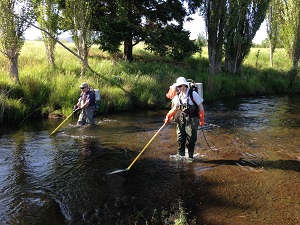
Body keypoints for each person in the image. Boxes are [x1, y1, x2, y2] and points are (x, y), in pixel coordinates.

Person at [164, 77, 205, 162]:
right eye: (177, 87)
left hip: (192, 119)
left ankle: (190, 157)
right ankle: (180, 155)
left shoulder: (193, 94)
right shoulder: (177, 96)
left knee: (191, 138)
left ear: (184, 85)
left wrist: (201, 119)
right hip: (182, 119)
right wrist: (168, 116)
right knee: (180, 138)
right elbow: (175, 108)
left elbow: (201, 107)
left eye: (179, 86)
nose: (178, 88)